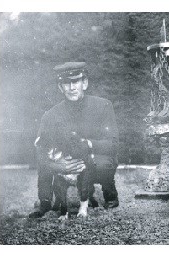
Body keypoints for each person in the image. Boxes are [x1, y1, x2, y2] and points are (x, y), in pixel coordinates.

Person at [29, 62, 119, 218]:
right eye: (66, 83)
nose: (71, 88)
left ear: (85, 83)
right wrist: (57, 166)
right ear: (60, 87)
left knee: (104, 162)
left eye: (76, 81)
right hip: (63, 163)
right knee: (46, 161)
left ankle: (109, 194)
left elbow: (113, 144)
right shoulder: (50, 115)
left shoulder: (103, 106)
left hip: (92, 159)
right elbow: (41, 151)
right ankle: (44, 202)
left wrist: (88, 145)